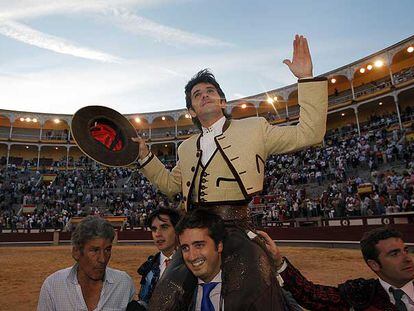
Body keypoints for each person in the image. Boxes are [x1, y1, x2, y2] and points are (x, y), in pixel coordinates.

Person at [134, 34, 328, 310]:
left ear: (222, 101)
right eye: (197, 95)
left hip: (237, 227)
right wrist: (145, 158)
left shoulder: (255, 128)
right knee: (165, 297)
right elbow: (169, 185)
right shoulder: (186, 148)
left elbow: (309, 133)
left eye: (210, 91)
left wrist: (306, 79)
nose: (205, 96)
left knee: (250, 295)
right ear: (191, 110)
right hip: (194, 231)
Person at [258, 227, 414, 310]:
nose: (407, 258)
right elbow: (310, 295)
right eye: (394, 254)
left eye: (405, 250)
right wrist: (278, 262)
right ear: (374, 264)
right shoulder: (361, 295)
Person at [37, 216, 135, 311]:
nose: (102, 259)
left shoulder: (124, 283)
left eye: (107, 250)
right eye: (95, 250)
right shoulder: (53, 286)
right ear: (76, 252)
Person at [175, 209, 226, 310]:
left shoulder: (247, 290)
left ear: (219, 245)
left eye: (199, 245)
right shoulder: (178, 294)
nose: (192, 256)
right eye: (185, 248)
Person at [136, 207, 181, 309]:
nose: (157, 234)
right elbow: (145, 300)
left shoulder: (190, 262)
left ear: (177, 229)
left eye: (164, 227)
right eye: (154, 229)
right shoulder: (150, 267)